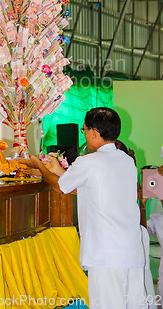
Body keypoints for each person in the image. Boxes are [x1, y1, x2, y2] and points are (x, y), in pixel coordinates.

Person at [21, 107, 147, 309]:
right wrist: (59, 170)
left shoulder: (89, 162)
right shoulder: (126, 161)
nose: (84, 134)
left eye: (85, 130)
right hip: (131, 250)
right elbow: (92, 190)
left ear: (95, 133)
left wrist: (39, 166)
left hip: (107, 254)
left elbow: (59, 187)